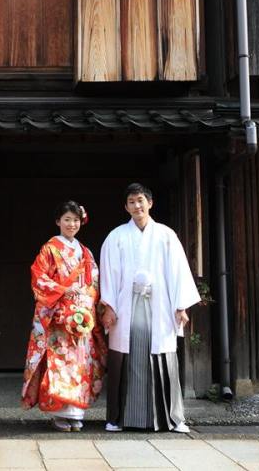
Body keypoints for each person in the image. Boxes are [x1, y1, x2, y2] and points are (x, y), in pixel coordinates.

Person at [100, 183, 200, 433]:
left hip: (160, 304)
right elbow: (109, 274)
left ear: (150, 203)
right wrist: (109, 307)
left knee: (164, 355)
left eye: (141, 200)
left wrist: (180, 306)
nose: (137, 206)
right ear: (126, 206)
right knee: (126, 356)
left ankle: (173, 418)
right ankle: (118, 418)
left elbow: (177, 272)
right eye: (131, 202)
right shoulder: (116, 237)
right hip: (127, 305)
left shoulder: (166, 235)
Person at [22, 201, 107, 432]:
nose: (72, 224)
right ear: (58, 221)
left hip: (82, 315)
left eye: (76, 220)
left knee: (81, 363)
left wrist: (88, 307)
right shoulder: (50, 249)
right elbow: (38, 278)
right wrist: (62, 292)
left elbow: (94, 283)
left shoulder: (86, 252)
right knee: (60, 363)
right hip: (58, 315)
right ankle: (59, 413)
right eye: (67, 219)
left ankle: (77, 412)